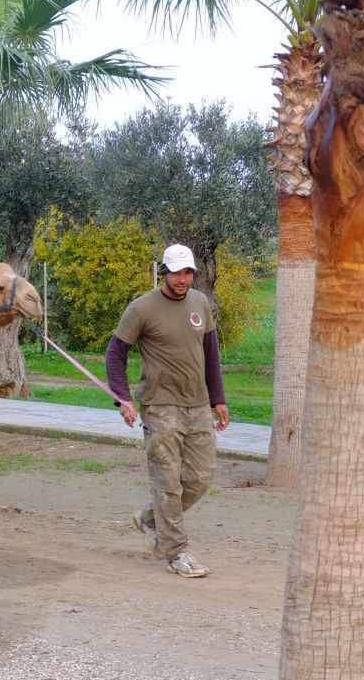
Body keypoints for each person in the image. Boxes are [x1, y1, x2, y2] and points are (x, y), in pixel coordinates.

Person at [104, 244, 229, 578]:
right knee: (168, 483)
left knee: (201, 478)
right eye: (176, 273)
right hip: (160, 406)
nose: (182, 279)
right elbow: (116, 353)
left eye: (188, 273)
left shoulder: (201, 303)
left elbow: (210, 353)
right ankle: (176, 552)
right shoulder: (141, 308)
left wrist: (219, 399)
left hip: (198, 404)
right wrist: (123, 397)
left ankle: (149, 519)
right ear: (165, 272)